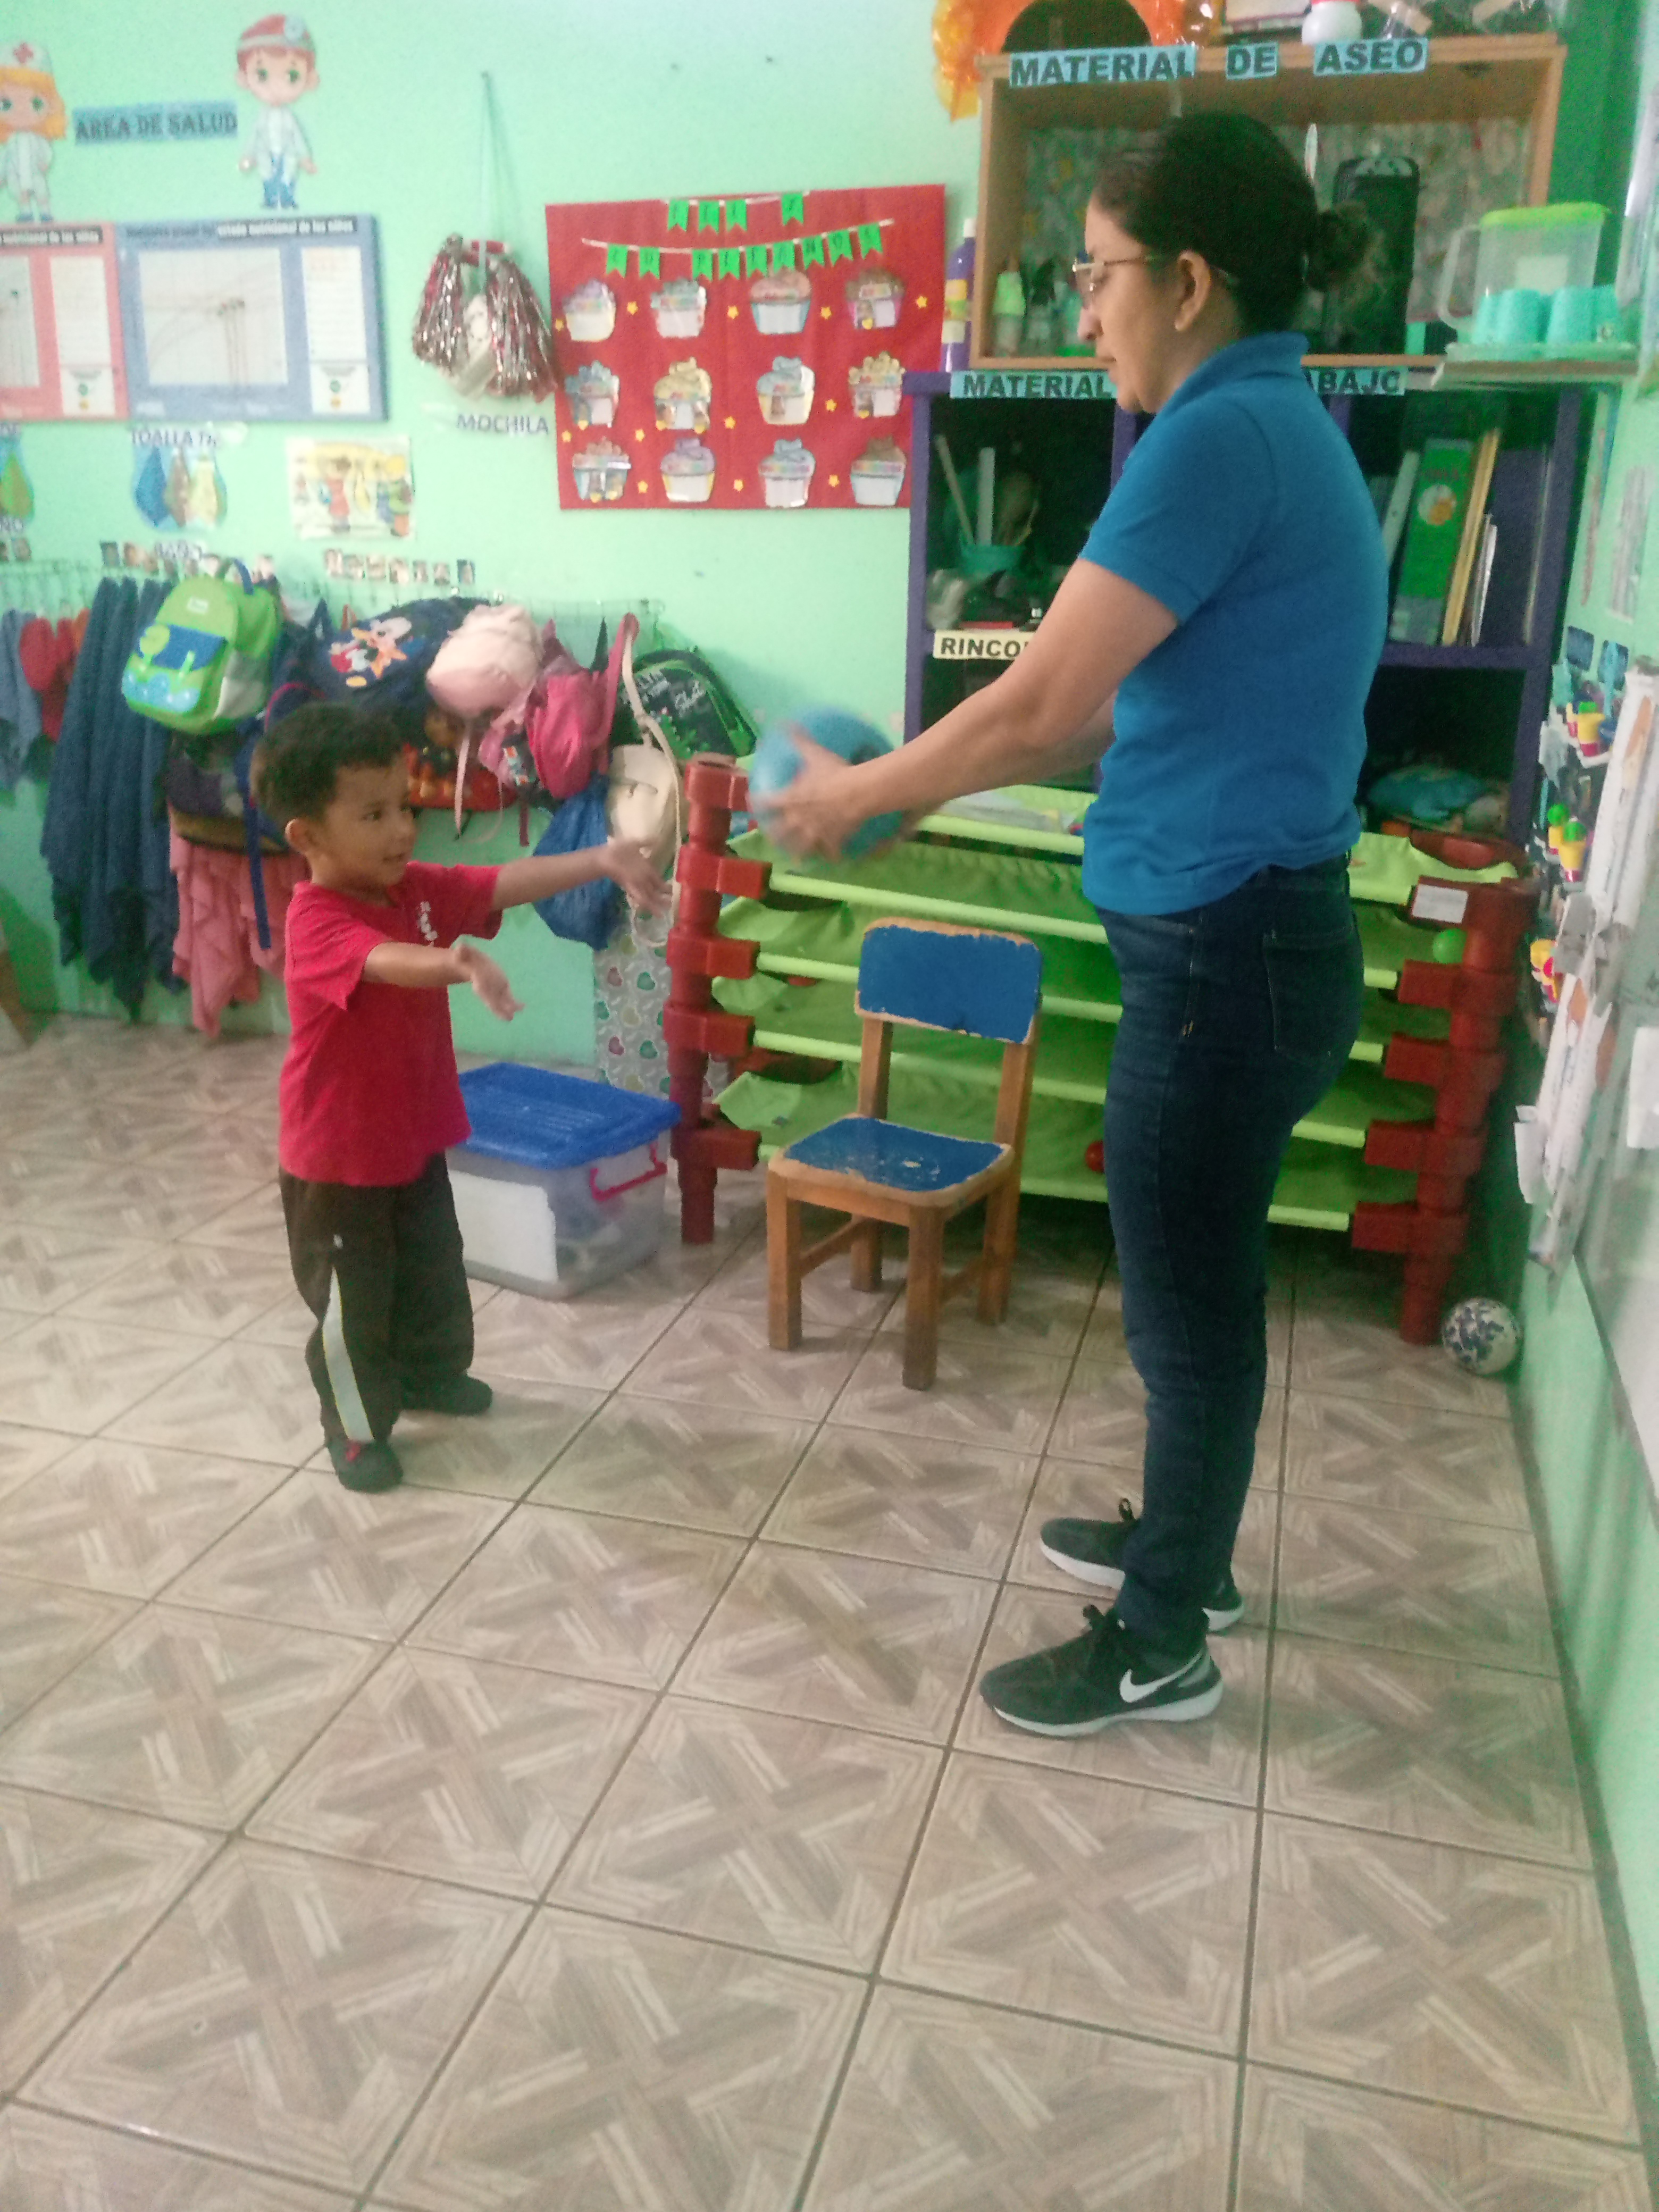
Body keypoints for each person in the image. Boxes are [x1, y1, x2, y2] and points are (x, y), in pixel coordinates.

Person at [757, 113, 1382, 1735]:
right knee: (1194, 1293)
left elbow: (1036, 703)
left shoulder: (1213, 441)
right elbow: (1102, 710)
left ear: (1188, 281)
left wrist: (855, 797)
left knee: (1185, 1314)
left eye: (1099, 276)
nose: (1083, 312)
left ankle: (1161, 1638)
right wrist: (907, 797)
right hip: (1251, 943)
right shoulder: (1270, 425)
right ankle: (1191, 1556)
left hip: (1227, 956)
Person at [253, 706, 669, 1493]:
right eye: (373, 815)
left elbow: (502, 881)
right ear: (308, 836)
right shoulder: (315, 920)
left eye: (403, 806)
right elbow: (383, 960)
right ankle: (354, 1427)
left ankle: (432, 1372)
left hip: (412, 1137)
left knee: (432, 1267)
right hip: (338, 1162)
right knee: (355, 1300)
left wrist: (602, 858)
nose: (401, 829)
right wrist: (456, 963)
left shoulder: (414, 888)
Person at [235, 13, 320, 210]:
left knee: (287, 176)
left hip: (287, 153)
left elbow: (297, 137)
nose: (276, 87)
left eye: (292, 76)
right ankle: (270, 200)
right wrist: (248, 157)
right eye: (262, 75)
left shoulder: (289, 118)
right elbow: (255, 136)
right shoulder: (262, 118)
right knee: (269, 176)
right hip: (266, 152)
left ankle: (287, 199)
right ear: (244, 78)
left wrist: (305, 158)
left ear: (309, 80)